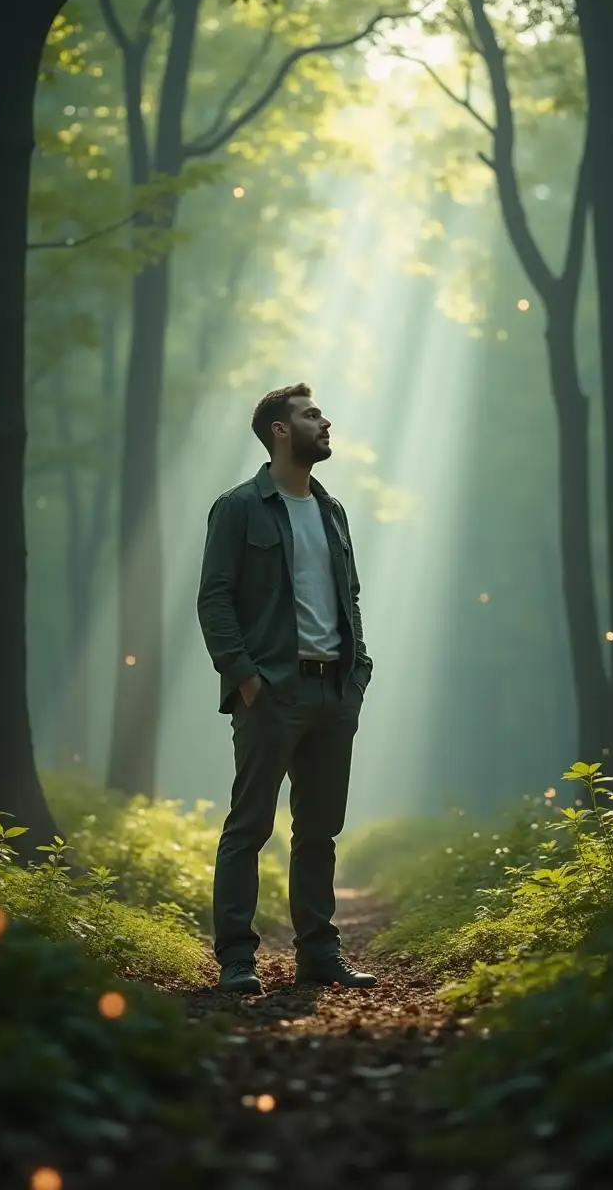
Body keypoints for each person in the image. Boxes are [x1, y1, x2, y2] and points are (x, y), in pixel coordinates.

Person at [197, 382, 376, 995]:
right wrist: (245, 677)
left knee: (320, 831)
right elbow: (214, 598)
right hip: (271, 692)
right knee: (249, 827)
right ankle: (236, 960)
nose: (324, 422)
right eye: (310, 415)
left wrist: (358, 674)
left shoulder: (332, 511)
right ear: (279, 430)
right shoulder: (239, 507)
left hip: (334, 693)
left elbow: (348, 596)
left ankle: (318, 955)